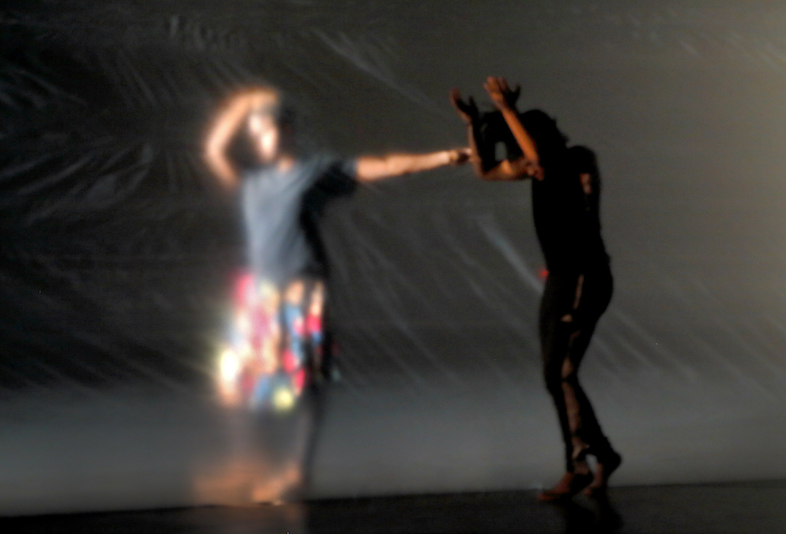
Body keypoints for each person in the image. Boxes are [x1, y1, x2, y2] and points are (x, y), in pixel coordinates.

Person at [206, 87, 470, 411]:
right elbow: (215, 150)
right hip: (261, 290)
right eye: (255, 135)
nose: (261, 141)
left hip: (300, 287)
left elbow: (387, 166)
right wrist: (244, 103)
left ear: (285, 130)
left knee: (305, 379)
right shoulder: (252, 181)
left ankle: (299, 458)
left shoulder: (315, 173)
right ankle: (250, 451)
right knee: (237, 381)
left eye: (266, 130)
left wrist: (442, 157)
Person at [450, 77, 621, 499]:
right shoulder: (537, 166)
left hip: (585, 276)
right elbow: (485, 172)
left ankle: (579, 465)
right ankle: (602, 453)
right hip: (564, 279)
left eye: (525, 147)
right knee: (554, 374)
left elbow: (539, 155)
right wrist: (473, 124)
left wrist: (507, 110)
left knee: (560, 373)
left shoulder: (577, 159)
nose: (528, 162)